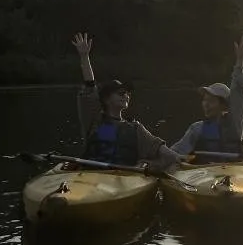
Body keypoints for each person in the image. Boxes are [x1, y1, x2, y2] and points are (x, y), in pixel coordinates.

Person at [71, 32, 179, 172]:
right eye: (121, 93)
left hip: (124, 181)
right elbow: (90, 88)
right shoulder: (94, 120)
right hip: (91, 178)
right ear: (106, 99)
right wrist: (84, 57)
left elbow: (165, 152)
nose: (126, 96)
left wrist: (168, 160)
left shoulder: (136, 128)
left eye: (128, 93)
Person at [170, 34, 243, 160]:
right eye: (204, 100)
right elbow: (176, 152)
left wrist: (239, 62)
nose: (205, 104)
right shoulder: (197, 129)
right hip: (207, 174)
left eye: (211, 101)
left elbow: (238, 93)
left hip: (235, 172)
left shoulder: (234, 123)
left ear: (223, 105)